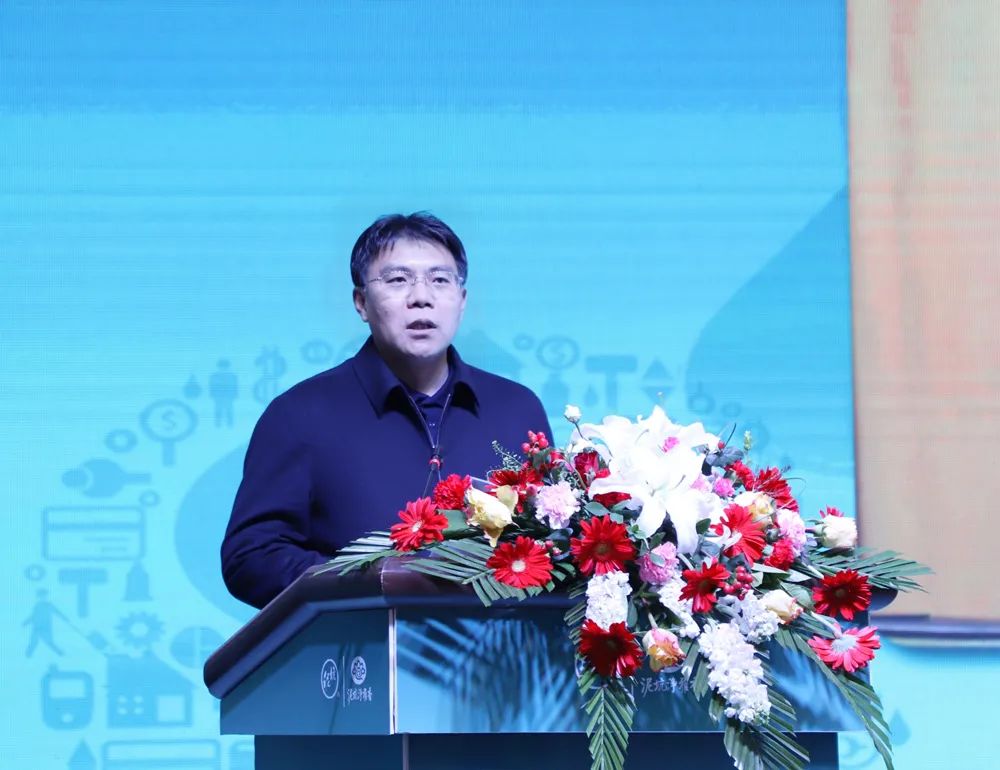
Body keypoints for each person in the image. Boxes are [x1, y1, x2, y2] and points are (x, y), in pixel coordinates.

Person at [222, 212, 552, 608]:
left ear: (462, 301)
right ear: (361, 302)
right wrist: (367, 582)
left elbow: (554, 545)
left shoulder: (517, 409)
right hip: (360, 640)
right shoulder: (301, 414)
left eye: (440, 280)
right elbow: (251, 557)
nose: (421, 297)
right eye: (398, 280)